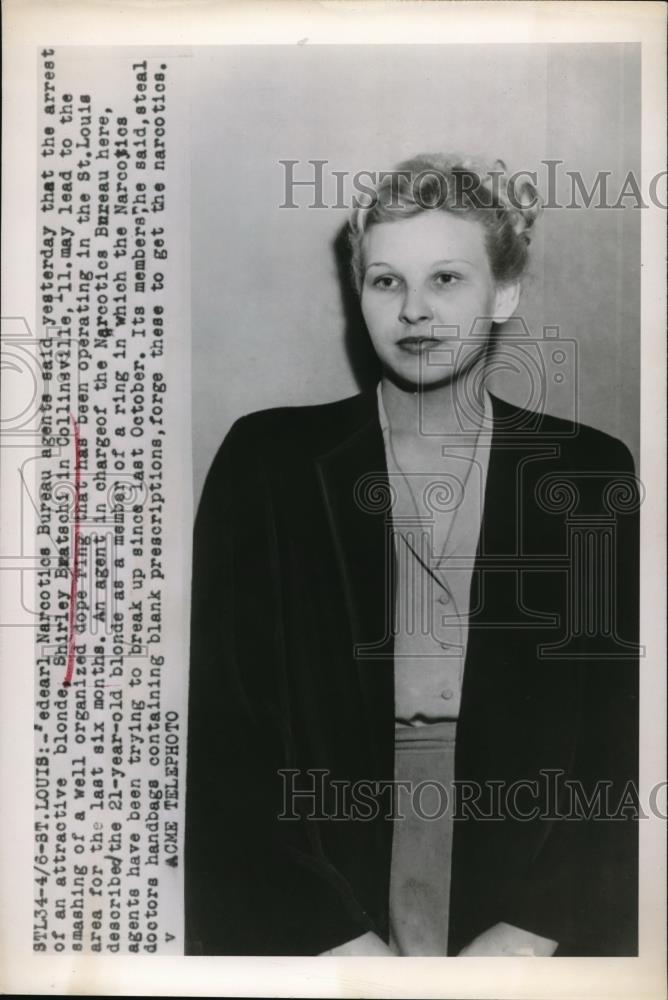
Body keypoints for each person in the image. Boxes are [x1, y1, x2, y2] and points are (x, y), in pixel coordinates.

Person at [184, 154, 639, 957]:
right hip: (322, 866)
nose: (415, 311)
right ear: (358, 294)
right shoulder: (269, 461)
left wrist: (533, 931)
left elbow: (619, 728)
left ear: (504, 293)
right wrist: (326, 935)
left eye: (448, 280)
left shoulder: (586, 472)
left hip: (521, 873)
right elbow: (227, 734)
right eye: (387, 282)